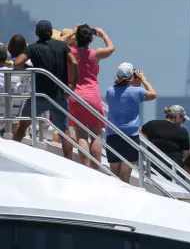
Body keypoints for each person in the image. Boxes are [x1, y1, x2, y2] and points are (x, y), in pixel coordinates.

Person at [12, 20, 78, 159]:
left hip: (39, 95)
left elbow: (17, 63)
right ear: (50, 32)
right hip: (59, 96)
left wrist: (29, 69)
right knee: (64, 131)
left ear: (37, 33)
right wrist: (72, 87)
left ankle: (12, 152)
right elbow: (74, 62)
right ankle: (69, 161)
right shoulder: (62, 46)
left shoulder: (33, 48)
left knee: (23, 124)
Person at [57, 25, 115, 169]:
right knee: (96, 135)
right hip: (93, 97)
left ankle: (86, 166)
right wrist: (103, 34)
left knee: (81, 135)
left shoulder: (70, 52)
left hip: (75, 95)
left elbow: (58, 44)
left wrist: (73, 32)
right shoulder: (94, 54)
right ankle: (97, 168)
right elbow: (111, 48)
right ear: (90, 39)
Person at [105, 63, 156, 182]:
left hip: (112, 134)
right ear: (131, 77)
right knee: (125, 175)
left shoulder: (110, 91)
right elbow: (153, 94)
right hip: (130, 136)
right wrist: (143, 80)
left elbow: (122, 94)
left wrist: (134, 84)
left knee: (114, 176)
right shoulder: (137, 92)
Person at [141, 105, 190, 170]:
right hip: (173, 167)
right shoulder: (183, 131)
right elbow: (186, 155)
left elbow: (140, 134)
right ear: (178, 117)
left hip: (152, 163)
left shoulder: (152, 124)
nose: (182, 122)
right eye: (183, 119)